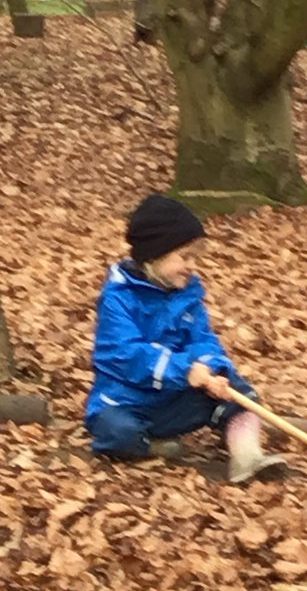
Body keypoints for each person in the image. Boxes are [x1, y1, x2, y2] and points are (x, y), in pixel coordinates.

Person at [85, 193, 287, 484]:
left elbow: (203, 340)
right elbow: (125, 354)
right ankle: (150, 447)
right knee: (116, 430)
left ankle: (248, 455)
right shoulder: (118, 299)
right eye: (185, 256)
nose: (192, 265)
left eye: (196, 257)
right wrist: (185, 369)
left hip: (173, 398)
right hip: (123, 401)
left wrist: (212, 369)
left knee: (237, 392)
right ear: (155, 255)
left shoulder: (188, 295)